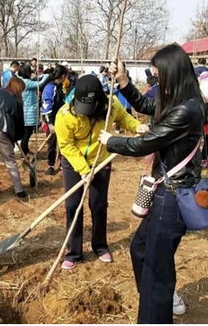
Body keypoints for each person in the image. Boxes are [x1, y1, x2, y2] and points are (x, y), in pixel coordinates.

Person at [98, 44, 206, 323]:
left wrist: (113, 142)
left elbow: (145, 143)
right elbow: (148, 106)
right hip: (164, 192)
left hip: (172, 196)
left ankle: (154, 313)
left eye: (158, 76)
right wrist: (123, 82)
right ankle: (156, 299)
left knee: (156, 268)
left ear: (172, 73)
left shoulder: (188, 109)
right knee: (141, 250)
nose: (156, 81)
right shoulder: (175, 98)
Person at [55, 74, 147, 270]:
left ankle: (100, 245)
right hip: (74, 162)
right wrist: (83, 169)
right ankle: (74, 252)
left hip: (101, 160)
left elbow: (124, 118)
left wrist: (137, 126)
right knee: (73, 206)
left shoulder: (111, 104)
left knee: (98, 205)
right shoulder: (65, 115)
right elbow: (66, 145)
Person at [41, 64, 68, 175]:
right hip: (51, 120)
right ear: (62, 75)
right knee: (52, 143)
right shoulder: (49, 87)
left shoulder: (61, 87)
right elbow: (46, 107)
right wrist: (50, 124)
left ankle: (63, 163)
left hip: (62, 119)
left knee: (64, 142)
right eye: (65, 76)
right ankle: (51, 165)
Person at [19, 64, 51, 157]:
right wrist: (47, 75)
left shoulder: (22, 81)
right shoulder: (27, 83)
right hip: (28, 113)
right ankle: (24, 153)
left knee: (26, 134)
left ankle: (25, 151)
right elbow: (40, 84)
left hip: (25, 111)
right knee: (26, 135)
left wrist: (37, 76)